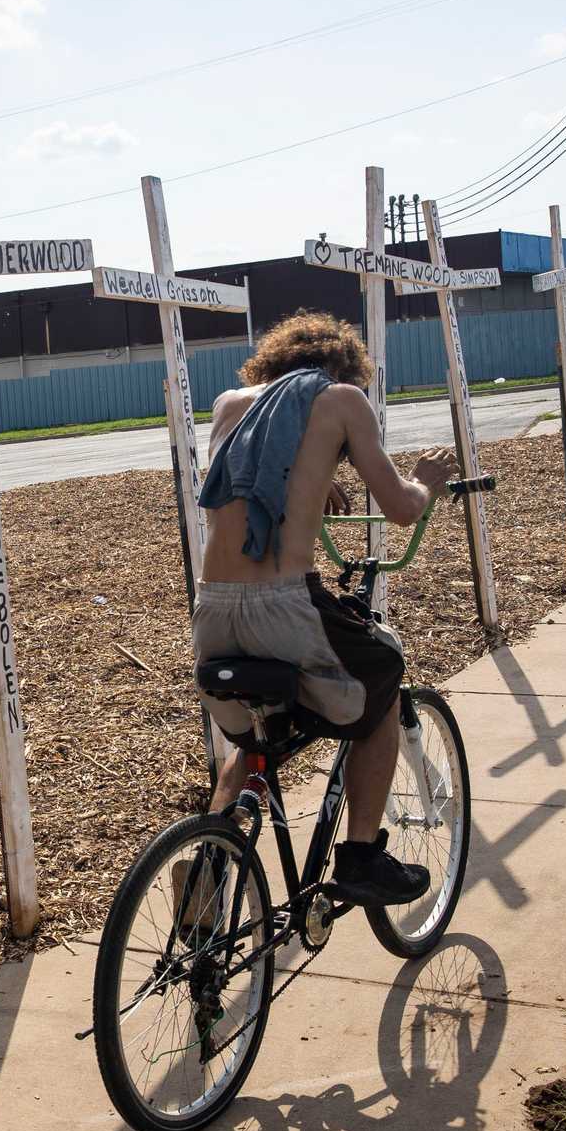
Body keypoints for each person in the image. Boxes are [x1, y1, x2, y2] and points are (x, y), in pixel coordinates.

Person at [191, 309, 456, 906]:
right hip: (284, 606)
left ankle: (208, 876)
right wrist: (426, 479)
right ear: (345, 368)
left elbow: (256, 473)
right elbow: (401, 508)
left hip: (212, 612)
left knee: (255, 741)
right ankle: (362, 855)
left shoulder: (230, 404)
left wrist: (313, 482)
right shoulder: (343, 402)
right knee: (383, 675)